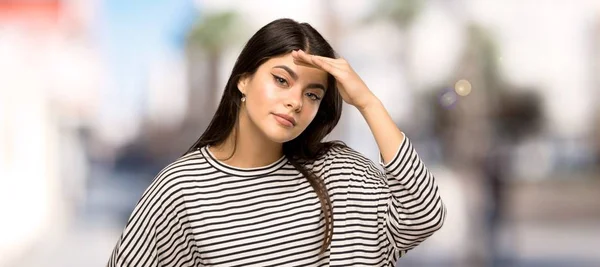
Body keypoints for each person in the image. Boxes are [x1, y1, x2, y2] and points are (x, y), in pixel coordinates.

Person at [107, 18, 446, 267]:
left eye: (312, 94)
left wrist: (368, 102)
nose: (296, 102)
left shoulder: (341, 172)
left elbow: (425, 215)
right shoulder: (182, 187)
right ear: (243, 79)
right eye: (281, 80)